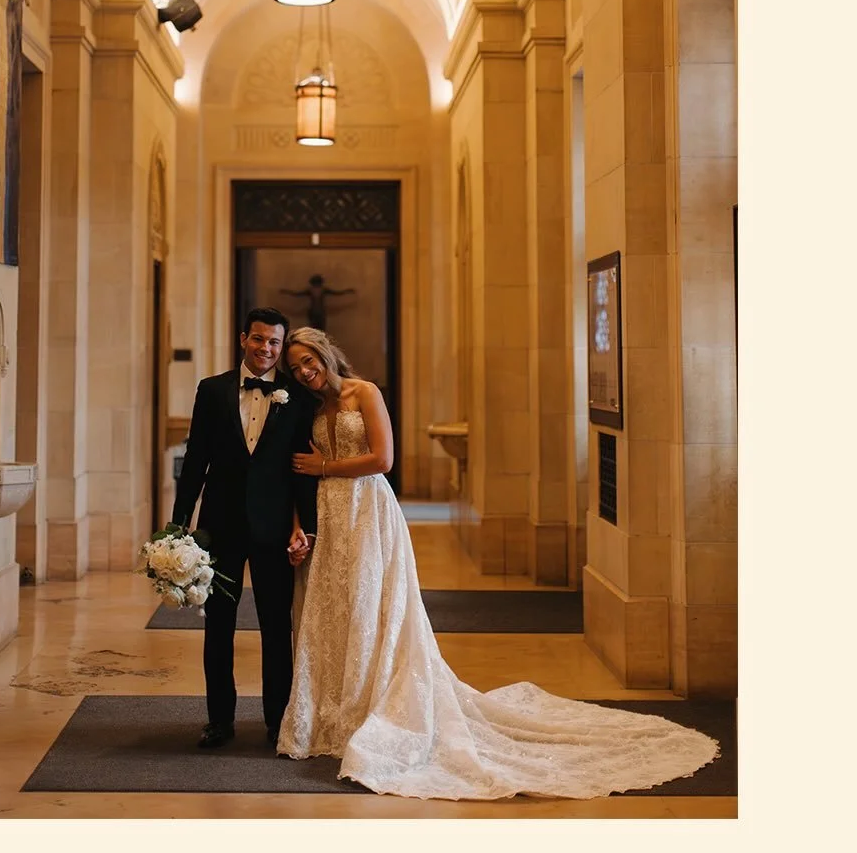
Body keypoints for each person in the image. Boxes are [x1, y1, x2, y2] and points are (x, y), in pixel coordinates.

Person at [276, 326, 720, 801]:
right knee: (336, 610)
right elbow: (296, 470)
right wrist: (306, 512)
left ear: (325, 353)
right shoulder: (311, 407)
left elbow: (383, 460)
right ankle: (336, 711)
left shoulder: (365, 393)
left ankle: (375, 708)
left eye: (309, 360)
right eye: (297, 366)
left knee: (372, 608)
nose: (305, 371)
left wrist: (325, 468)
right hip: (330, 509)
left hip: (368, 510)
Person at [171, 308, 317, 749]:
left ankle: (277, 720)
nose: (265, 349)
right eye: (258, 339)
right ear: (243, 339)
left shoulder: (298, 398)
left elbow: (302, 473)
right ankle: (219, 720)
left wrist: (305, 529)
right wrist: (178, 527)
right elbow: (196, 461)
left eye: (274, 342)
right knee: (219, 626)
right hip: (221, 528)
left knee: (277, 628)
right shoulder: (211, 390)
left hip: (273, 530)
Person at [277, 274, 355, 332]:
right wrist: (286, 292)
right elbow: (297, 294)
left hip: (318, 313)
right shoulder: (317, 290)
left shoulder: (318, 290)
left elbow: (337, 293)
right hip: (315, 313)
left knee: (319, 330)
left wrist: (347, 291)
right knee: (315, 330)